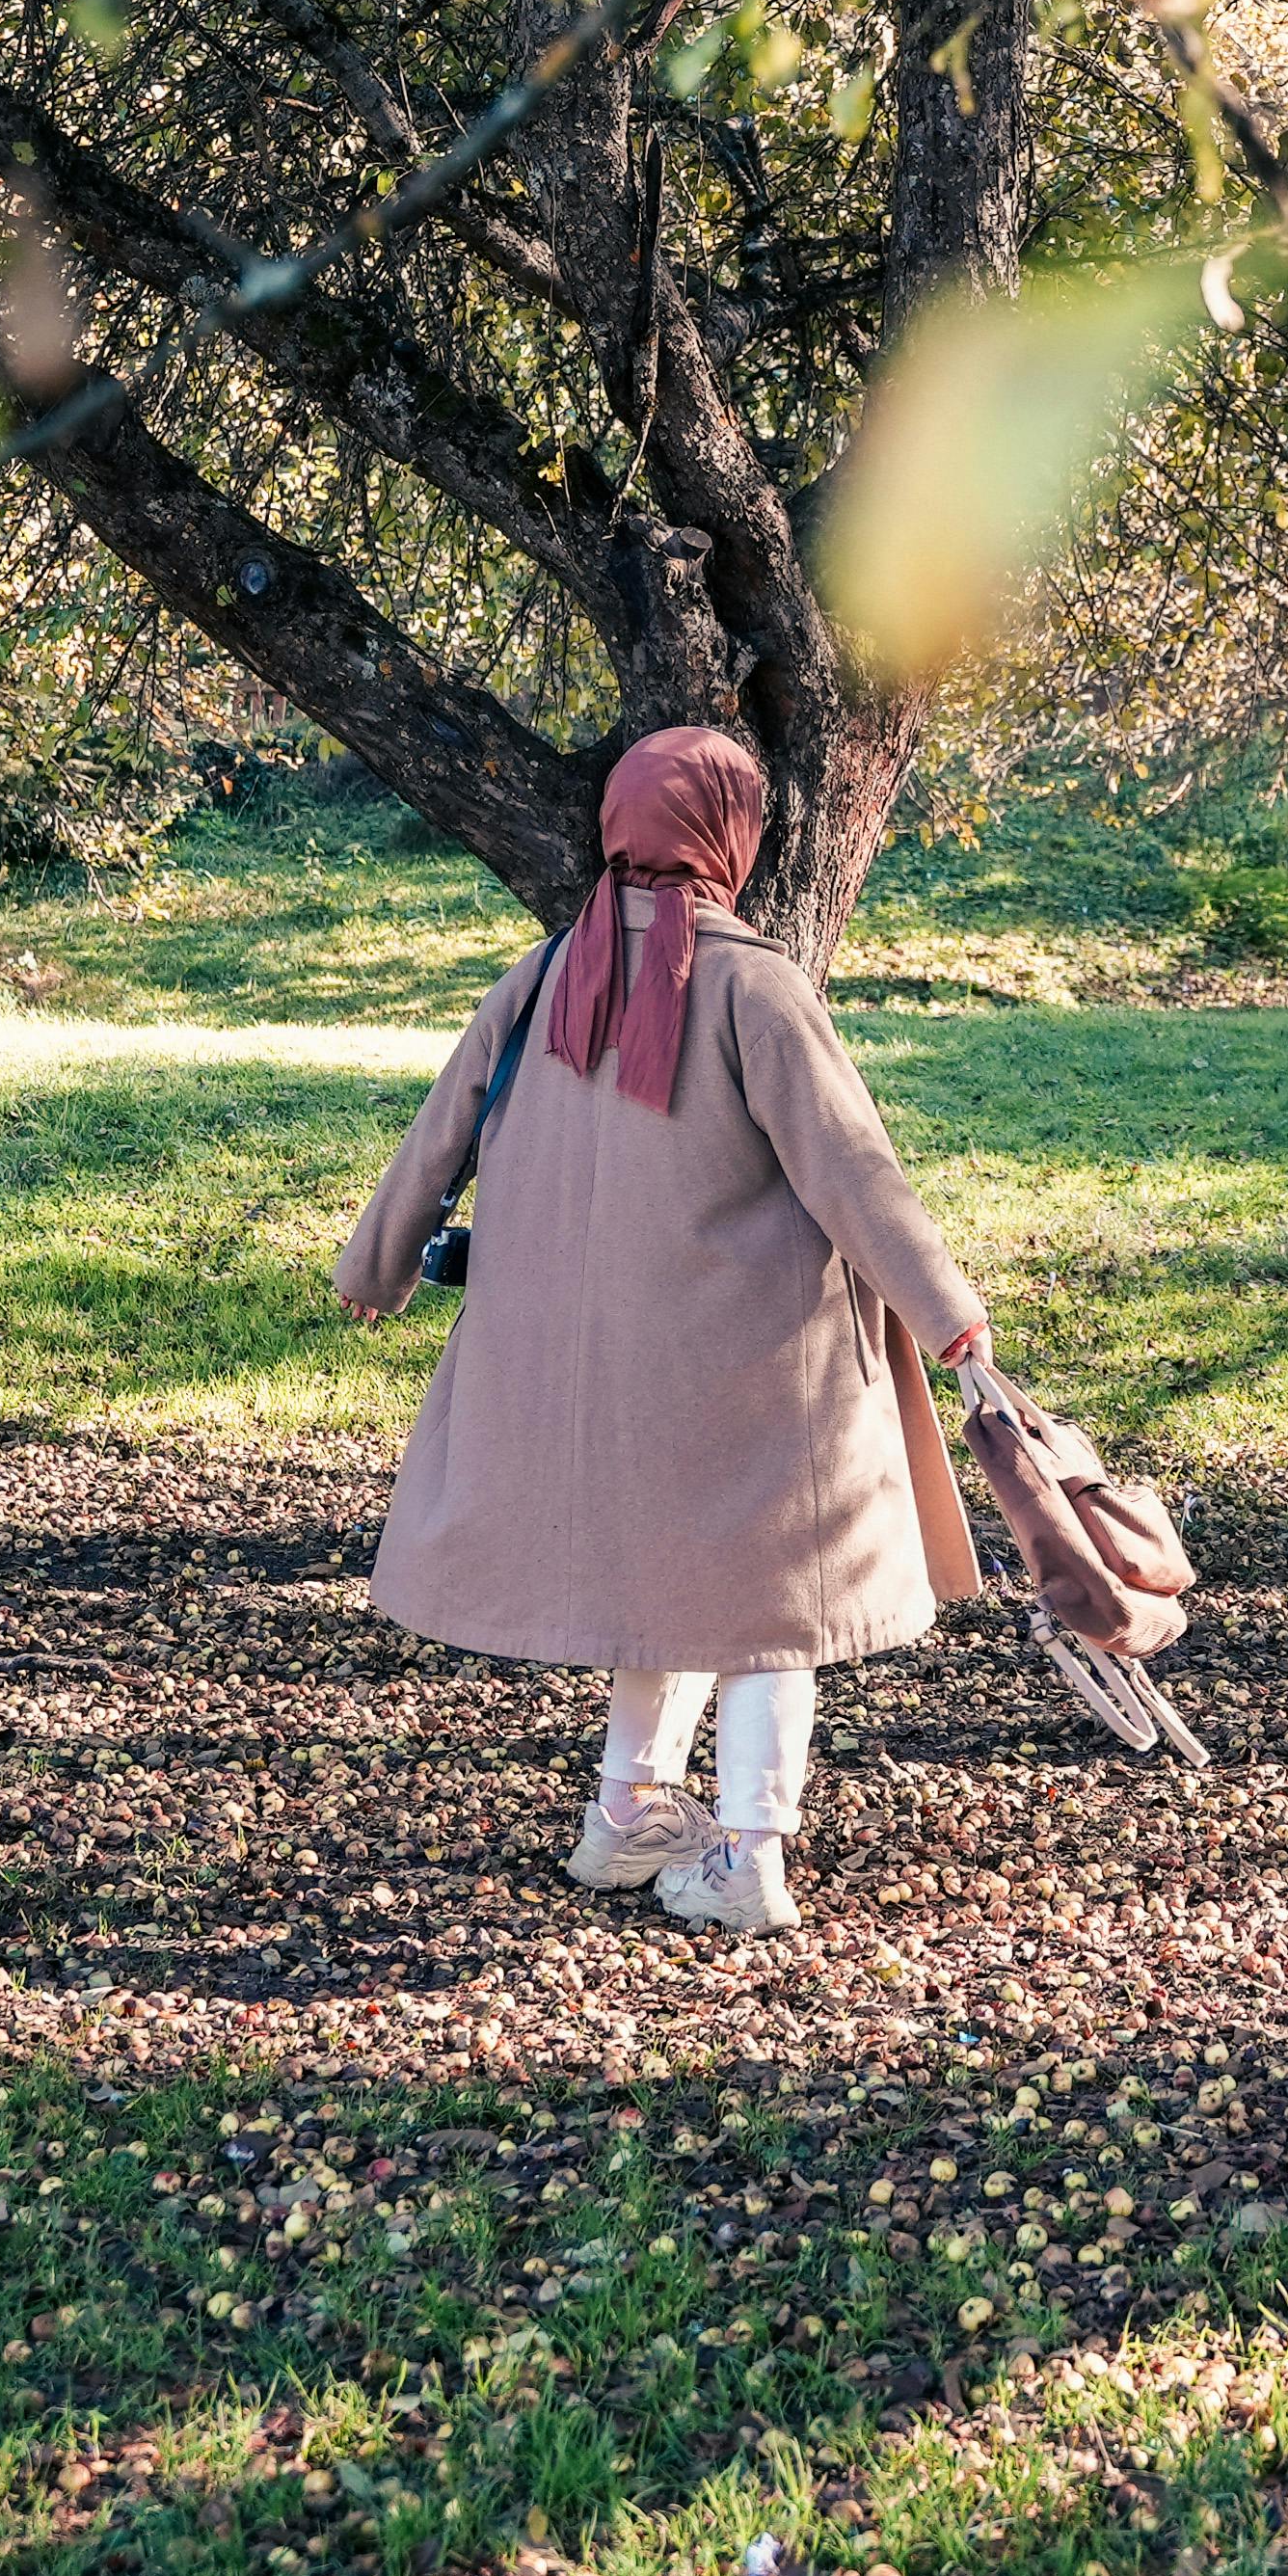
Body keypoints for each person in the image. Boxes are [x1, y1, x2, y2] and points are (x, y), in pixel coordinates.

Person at [332, 723, 988, 1937]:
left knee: (667, 1583)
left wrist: (374, 1267)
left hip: (592, 1369)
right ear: (729, 838)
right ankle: (748, 1853)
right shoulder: (754, 984)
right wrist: (949, 1316)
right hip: (747, 1360)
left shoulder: (539, 978)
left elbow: (439, 1136)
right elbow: (851, 1170)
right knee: (769, 1602)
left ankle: (627, 1814)